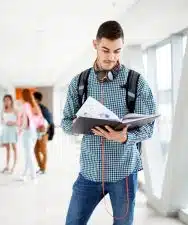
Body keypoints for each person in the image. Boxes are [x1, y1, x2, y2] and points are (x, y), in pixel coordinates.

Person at [62, 21, 156, 225]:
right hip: (89, 172)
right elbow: (66, 123)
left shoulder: (136, 82)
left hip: (124, 173)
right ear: (95, 44)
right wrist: (81, 125)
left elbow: (149, 128)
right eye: (105, 50)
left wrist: (126, 136)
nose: (111, 57)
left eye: (117, 51)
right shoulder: (79, 83)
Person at [19, 89, 45, 183]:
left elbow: (25, 121)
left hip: (27, 132)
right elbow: (40, 119)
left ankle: (34, 176)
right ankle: (24, 174)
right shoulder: (35, 106)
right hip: (34, 132)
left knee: (29, 154)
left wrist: (20, 130)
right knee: (28, 154)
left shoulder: (25, 105)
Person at [33, 91, 54, 174]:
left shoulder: (43, 109)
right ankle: (41, 167)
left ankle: (43, 168)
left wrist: (43, 130)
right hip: (35, 134)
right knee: (35, 150)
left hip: (43, 133)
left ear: (37, 100)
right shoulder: (32, 109)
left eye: (33, 99)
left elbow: (49, 121)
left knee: (43, 150)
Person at [0, 94, 18, 174]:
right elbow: (1, 121)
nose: (6, 101)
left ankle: (14, 166)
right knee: (7, 149)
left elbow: (19, 121)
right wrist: (5, 122)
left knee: (14, 148)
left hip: (13, 130)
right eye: (5, 100)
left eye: (8, 100)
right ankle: (7, 166)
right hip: (6, 130)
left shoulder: (15, 110)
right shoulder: (3, 110)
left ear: (11, 101)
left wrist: (13, 123)